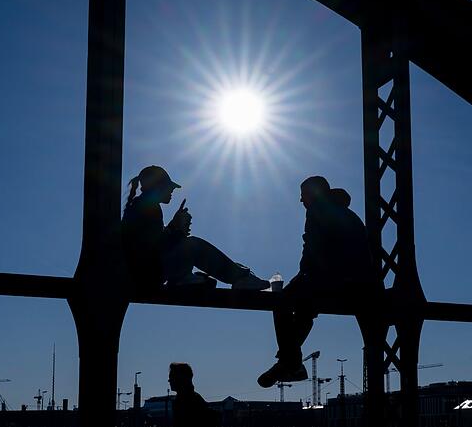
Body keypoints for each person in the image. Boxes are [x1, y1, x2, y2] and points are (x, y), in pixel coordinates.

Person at [258, 176, 373, 388]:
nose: (301, 200)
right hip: (357, 283)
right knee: (303, 307)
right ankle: (289, 363)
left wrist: (303, 276)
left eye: (303, 195)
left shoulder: (317, 212)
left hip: (333, 279)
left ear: (314, 194)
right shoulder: (345, 213)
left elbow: (314, 251)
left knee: (280, 300)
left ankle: (290, 362)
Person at [122, 165, 270, 292]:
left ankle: (186, 278)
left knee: (202, 272)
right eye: (170, 187)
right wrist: (176, 228)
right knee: (194, 245)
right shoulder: (147, 208)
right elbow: (153, 249)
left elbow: (155, 243)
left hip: (145, 274)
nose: (172, 192)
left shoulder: (141, 206)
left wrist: (176, 229)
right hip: (147, 276)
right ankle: (240, 277)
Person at [151, 362, 222, 427]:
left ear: (180, 379)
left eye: (172, 377)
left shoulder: (184, 401)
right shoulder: (195, 398)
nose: (169, 381)